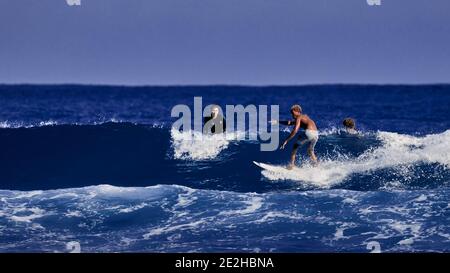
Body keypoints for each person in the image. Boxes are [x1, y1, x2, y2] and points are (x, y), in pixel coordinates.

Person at [271, 105, 318, 169]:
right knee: (310, 151)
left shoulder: (299, 117)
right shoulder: (305, 117)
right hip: (316, 134)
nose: (292, 116)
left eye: (293, 113)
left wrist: (286, 140)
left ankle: (292, 165)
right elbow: (290, 123)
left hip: (309, 132)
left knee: (295, 147)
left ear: (298, 112)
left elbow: (295, 130)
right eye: (291, 114)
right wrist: (277, 121)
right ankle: (316, 165)